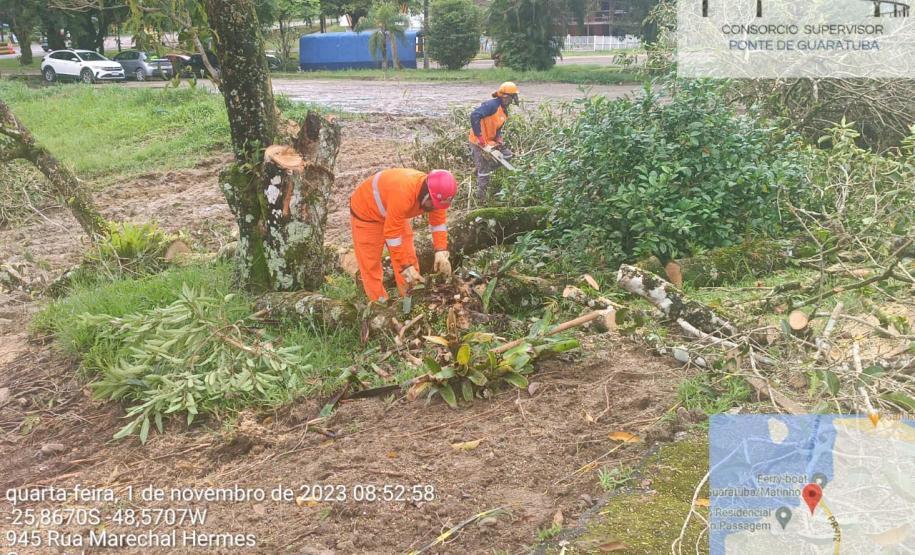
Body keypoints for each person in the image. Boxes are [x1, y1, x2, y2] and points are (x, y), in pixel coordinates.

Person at [349, 168, 458, 302]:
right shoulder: (403, 193)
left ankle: (411, 299)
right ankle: (381, 306)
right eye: (433, 205)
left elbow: (438, 223)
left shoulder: (438, 197)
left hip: (394, 212)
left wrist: (441, 250)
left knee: (409, 258)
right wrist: (404, 267)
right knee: (370, 266)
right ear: (426, 194)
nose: (435, 209)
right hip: (367, 214)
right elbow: (392, 236)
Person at [469, 81, 519, 202]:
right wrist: (480, 137)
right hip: (478, 141)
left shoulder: (503, 110)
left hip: (491, 141)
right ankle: (481, 199)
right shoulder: (492, 105)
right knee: (484, 173)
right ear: (506, 96)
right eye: (512, 97)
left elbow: (497, 127)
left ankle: (480, 169)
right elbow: (474, 115)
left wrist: (498, 138)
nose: (513, 100)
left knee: (507, 155)